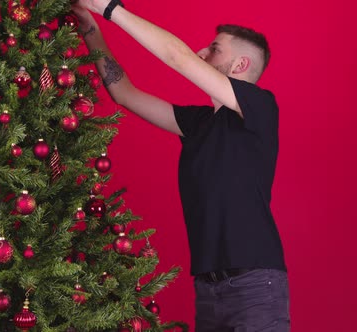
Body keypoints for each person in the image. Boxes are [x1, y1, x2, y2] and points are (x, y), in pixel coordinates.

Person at [71, 1, 290, 331]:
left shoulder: (260, 106)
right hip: (207, 289)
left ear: (241, 64)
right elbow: (123, 92)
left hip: (255, 288)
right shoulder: (198, 122)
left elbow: (178, 57)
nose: (202, 52)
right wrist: (88, 23)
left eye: (215, 48)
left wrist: (108, 6)